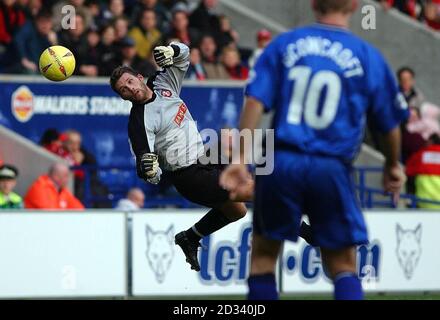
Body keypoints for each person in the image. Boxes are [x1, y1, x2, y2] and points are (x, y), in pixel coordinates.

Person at [220, 0, 409, 300]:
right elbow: (389, 125)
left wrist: (240, 158)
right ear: (355, 6)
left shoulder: (285, 43)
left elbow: (254, 100)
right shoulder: (368, 56)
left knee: (263, 259)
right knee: (344, 265)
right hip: (331, 166)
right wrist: (392, 164)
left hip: (282, 162)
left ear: (312, 4)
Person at [109, 41, 250, 272]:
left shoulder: (163, 83)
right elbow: (146, 171)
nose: (130, 88)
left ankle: (190, 237)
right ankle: (308, 232)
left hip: (206, 156)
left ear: (140, 77)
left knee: (238, 211)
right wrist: (150, 170)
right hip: (188, 176)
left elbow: (184, 55)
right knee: (256, 190)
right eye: (123, 90)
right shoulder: (138, 123)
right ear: (123, 98)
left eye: (129, 81)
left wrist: (172, 50)